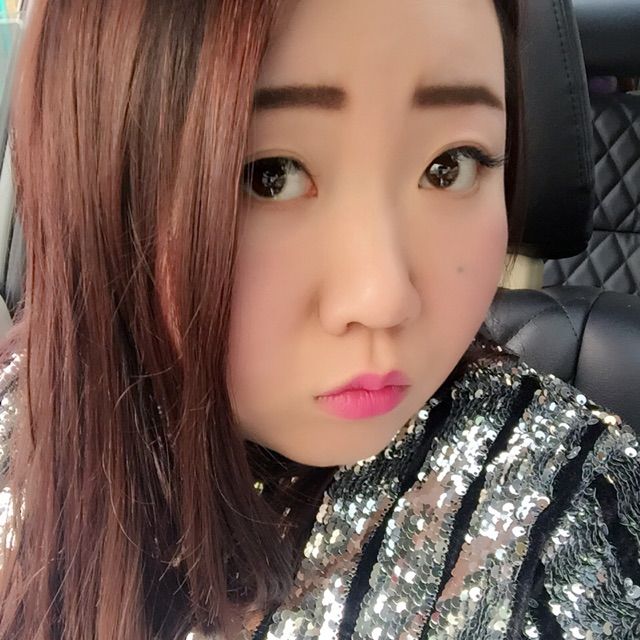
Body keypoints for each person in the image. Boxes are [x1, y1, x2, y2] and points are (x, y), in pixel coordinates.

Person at [0, 0, 638, 638]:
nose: (382, 298)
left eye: (451, 165)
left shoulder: (568, 508)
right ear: (99, 186)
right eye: (269, 175)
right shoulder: (17, 427)